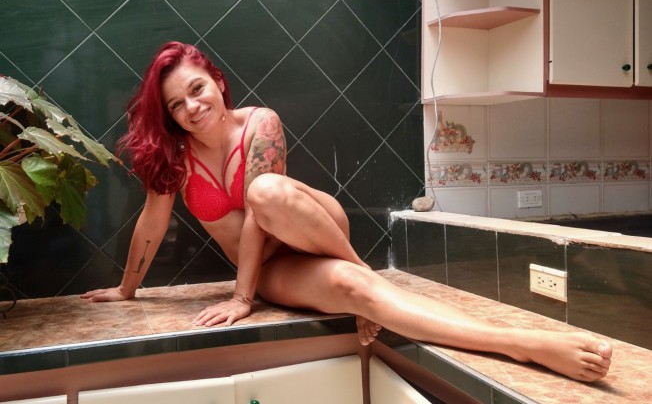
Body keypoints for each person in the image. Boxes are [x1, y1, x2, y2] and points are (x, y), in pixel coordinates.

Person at [81, 42, 612, 382]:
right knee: (359, 293)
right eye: (176, 105)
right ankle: (523, 345)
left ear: (217, 81)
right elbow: (152, 223)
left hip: (313, 227)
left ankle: (360, 265)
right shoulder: (176, 158)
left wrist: (241, 298)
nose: (192, 108)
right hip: (277, 268)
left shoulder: (260, 123)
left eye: (196, 90)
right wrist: (127, 289)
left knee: (266, 193)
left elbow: (264, 210)